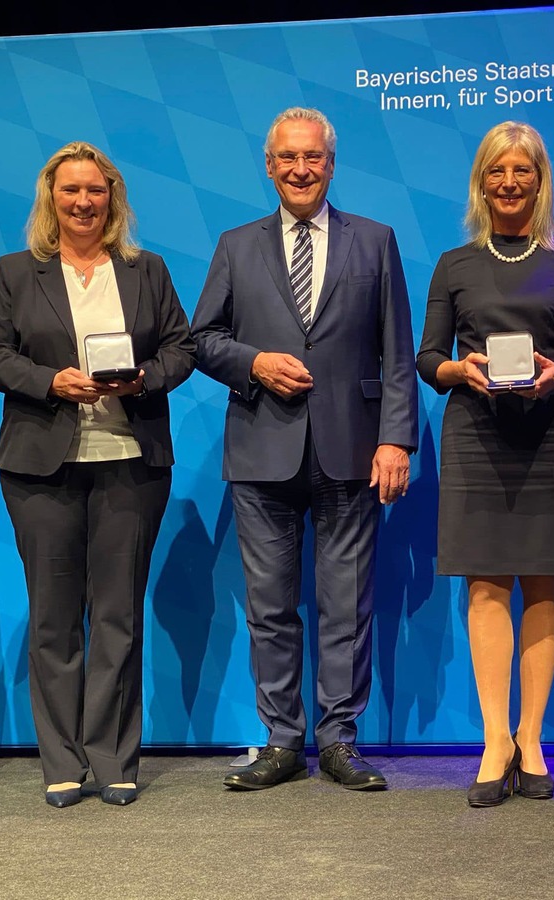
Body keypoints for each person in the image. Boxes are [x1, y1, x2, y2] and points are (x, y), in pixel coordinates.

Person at [191, 107, 418, 791]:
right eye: (288, 158)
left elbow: (397, 353)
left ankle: (340, 740)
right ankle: (282, 741)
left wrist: (396, 439)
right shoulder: (237, 245)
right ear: (269, 165)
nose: (300, 169)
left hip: (352, 451)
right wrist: (256, 363)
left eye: (312, 158)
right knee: (269, 605)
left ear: (330, 164)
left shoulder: (374, 241)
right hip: (262, 451)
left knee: (347, 605)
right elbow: (201, 338)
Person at [0, 142, 195, 808]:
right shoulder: (18, 271)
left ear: (112, 197)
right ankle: (62, 761)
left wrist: (143, 380)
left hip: (130, 464)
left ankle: (113, 757)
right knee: (53, 618)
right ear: (51, 198)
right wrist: (47, 381)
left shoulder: (144, 269)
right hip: (42, 469)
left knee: (120, 617)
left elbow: (181, 347)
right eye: (70, 191)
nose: (82, 202)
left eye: (95, 191)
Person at [416, 122, 554, 807]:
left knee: (544, 584)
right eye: (498, 170)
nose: (510, 182)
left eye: (523, 170)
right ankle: (495, 739)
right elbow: (426, 356)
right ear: (482, 181)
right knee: (487, 586)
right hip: (476, 432)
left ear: (540, 180)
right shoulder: (454, 264)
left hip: (551, 433)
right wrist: (459, 370)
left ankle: (532, 737)